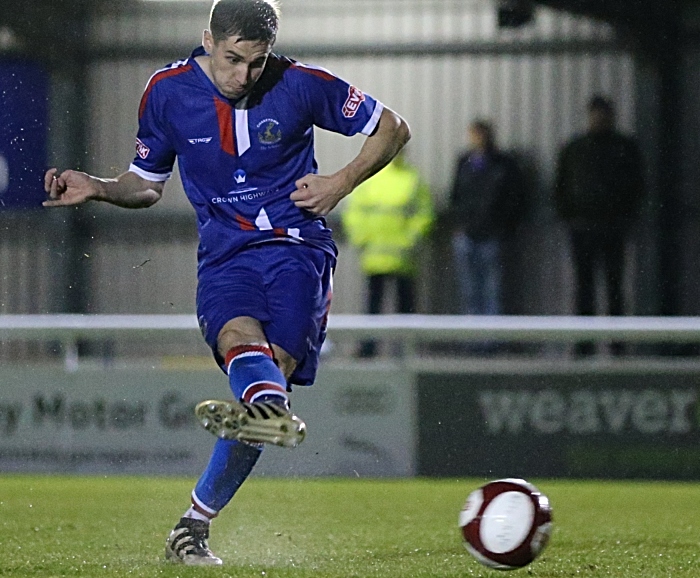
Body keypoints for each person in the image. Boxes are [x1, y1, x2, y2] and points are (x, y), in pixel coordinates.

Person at [43, 0, 410, 565]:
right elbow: (145, 184)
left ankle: (197, 516)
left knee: (270, 377)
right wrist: (95, 185)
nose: (243, 76)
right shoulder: (166, 92)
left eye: (256, 64)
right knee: (243, 347)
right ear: (207, 40)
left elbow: (393, 126)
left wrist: (339, 181)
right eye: (233, 59)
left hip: (297, 249)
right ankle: (257, 419)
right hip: (225, 257)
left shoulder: (302, 84)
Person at [554, 95, 644, 356]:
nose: (600, 119)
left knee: (615, 288)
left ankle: (617, 346)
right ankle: (584, 345)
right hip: (582, 229)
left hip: (613, 229)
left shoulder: (624, 148)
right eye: (596, 114)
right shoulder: (575, 148)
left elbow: (637, 187)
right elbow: (560, 187)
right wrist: (570, 217)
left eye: (604, 115)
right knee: (584, 289)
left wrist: (624, 217)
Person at [341, 150, 434, 357]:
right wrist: (362, 237)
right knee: (388, 307)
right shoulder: (408, 178)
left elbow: (424, 213)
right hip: (391, 254)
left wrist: (362, 238)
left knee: (391, 307)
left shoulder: (406, 178)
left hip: (391, 254)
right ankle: (393, 350)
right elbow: (355, 211)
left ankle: (379, 349)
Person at [447, 120, 525, 317]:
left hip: (493, 235)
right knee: (469, 291)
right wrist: (459, 224)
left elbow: (515, 199)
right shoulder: (464, 162)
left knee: (493, 290)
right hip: (467, 234)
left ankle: (491, 339)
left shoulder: (504, 164)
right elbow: (456, 195)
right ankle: (473, 339)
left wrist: (503, 227)